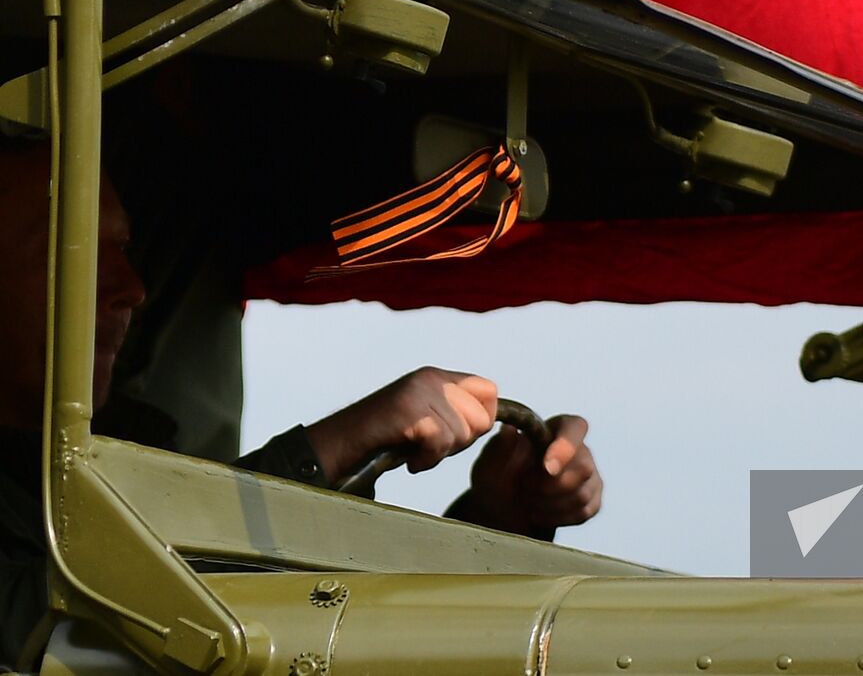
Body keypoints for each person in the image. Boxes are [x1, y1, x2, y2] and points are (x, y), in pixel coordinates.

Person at [0, 136, 603, 666]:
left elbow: (310, 617)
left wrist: (500, 516)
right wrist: (342, 441)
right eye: (73, 250)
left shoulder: (121, 458)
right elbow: (68, 622)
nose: (130, 289)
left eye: (124, 249)